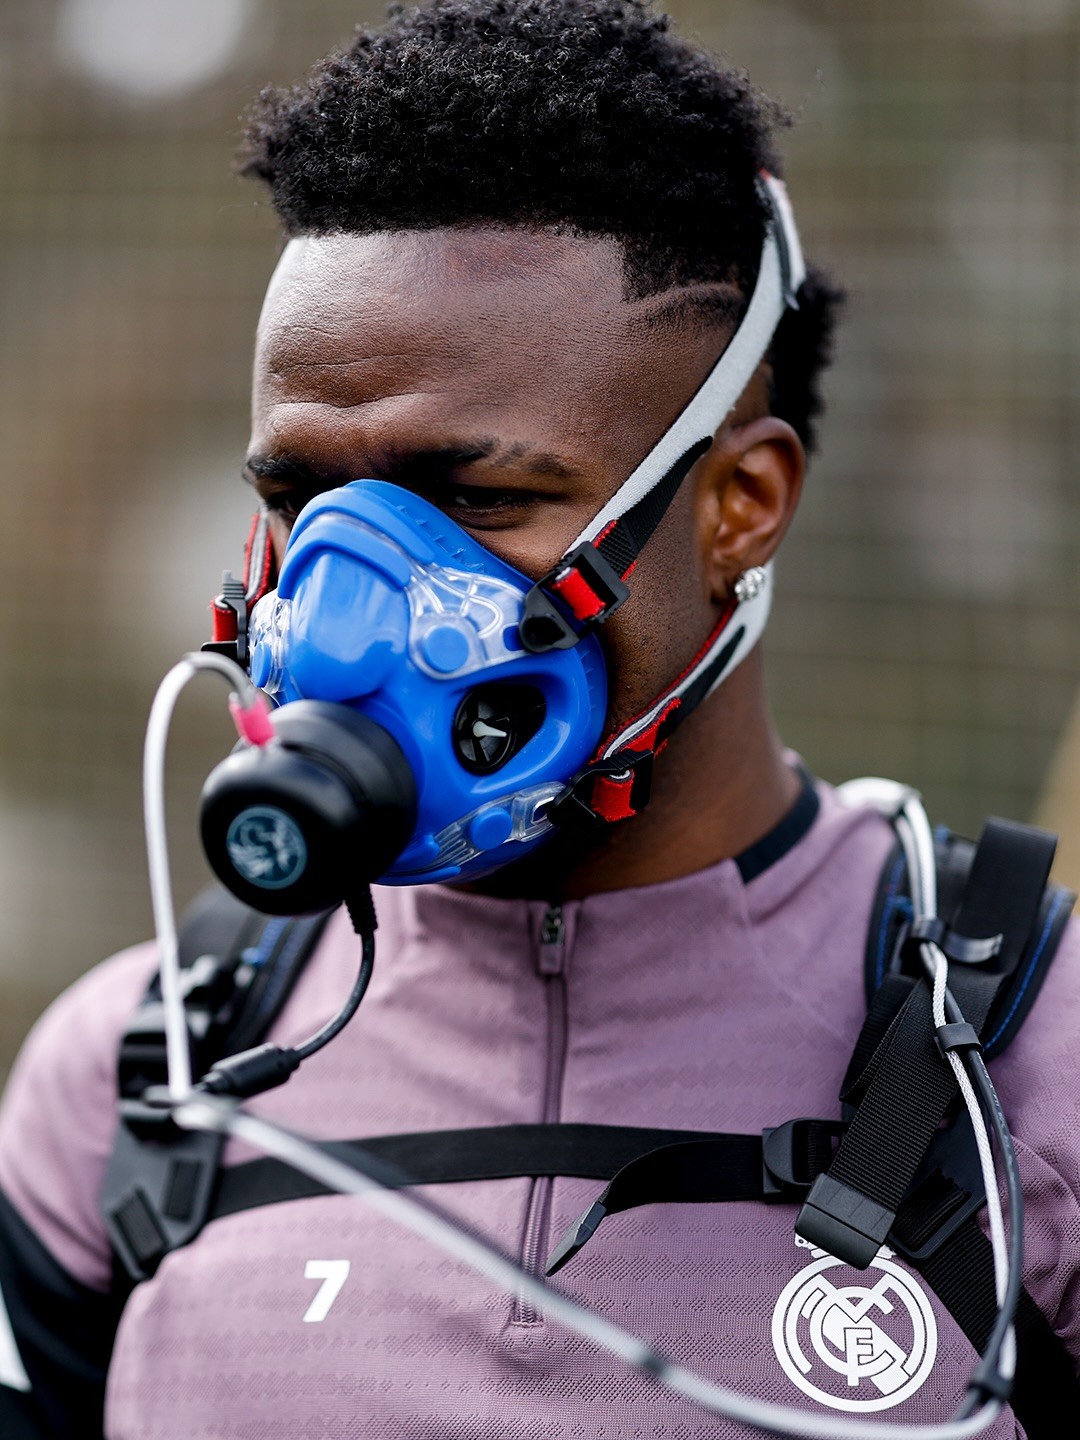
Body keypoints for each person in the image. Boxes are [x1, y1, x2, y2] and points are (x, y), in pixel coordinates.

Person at [0, 2, 1077, 1437]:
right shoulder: (139, 1078)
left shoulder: (1029, 1062)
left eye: (484, 500)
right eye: (297, 503)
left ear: (739, 506)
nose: (344, 607)